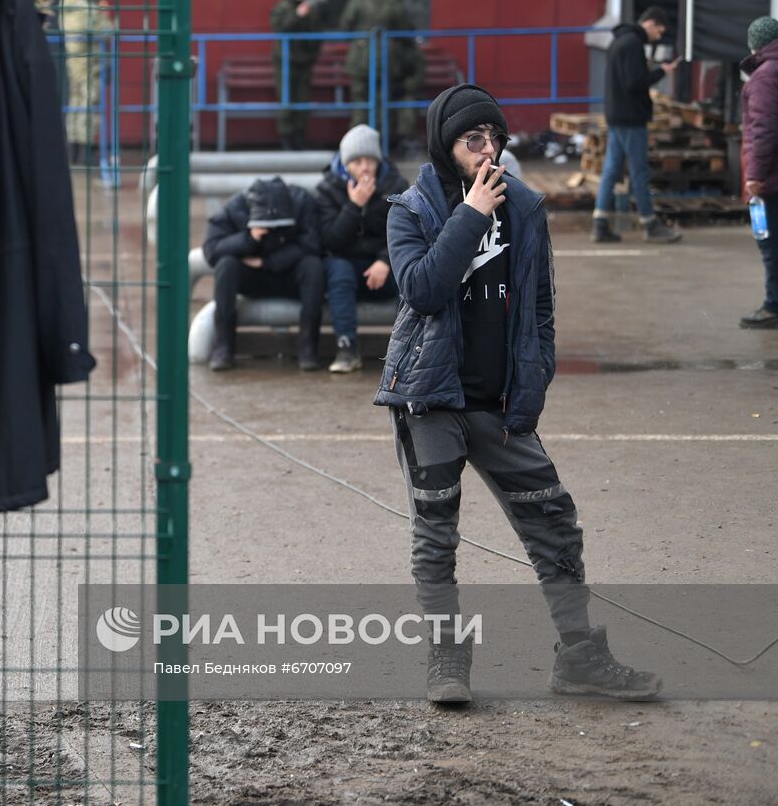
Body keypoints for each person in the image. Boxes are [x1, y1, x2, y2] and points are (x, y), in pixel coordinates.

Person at [374, 84, 662, 705]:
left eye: (495, 139)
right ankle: (448, 660)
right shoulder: (412, 207)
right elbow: (422, 290)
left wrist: (531, 387)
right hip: (431, 397)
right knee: (436, 533)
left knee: (553, 521)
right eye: (472, 140)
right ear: (445, 145)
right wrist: (471, 213)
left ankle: (580, 657)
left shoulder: (526, 208)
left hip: (499, 405)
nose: (487, 152)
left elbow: (540, 309)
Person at [202, 176, 325, 372]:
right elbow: (211, 250)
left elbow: (314, 243)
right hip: (252, 278)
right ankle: (223, 347)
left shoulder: (302, 201)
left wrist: (268, 262)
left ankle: (308, 348)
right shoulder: (235, 207)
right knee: (226, 265)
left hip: (289, 274)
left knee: (314, 266)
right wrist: (249, 239)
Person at [315, 124, 407, 373]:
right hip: (347, 265)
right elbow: (329, 241)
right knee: (337, 269)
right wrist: (354, 206)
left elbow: (406, 234)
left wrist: (385, 261)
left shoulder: (395, 184)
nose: (365, 167)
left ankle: (406, 352)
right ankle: (347, 347)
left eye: (370, 160)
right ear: (345, 164)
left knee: (411, 271)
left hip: (385, 267)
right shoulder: (327, 189)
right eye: (357, 161)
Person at [592, 6, 682, 243]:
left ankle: (600, 224)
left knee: (611, 171)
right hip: (631, 119)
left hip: (616, 116)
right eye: (659, 31)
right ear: (650, 23)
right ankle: (650, 224)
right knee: (639, 172)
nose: (659, 36)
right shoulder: (632, 44)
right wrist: (660, 72)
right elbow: (635, 83)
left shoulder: (619, 41)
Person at [339, 0, 422, 141]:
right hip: (386, 60)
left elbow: (345, 26)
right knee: (382, 104)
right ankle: (381, 143)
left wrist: (359, 38)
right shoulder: (393, 3)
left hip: (359, 60)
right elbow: (406, 32)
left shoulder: (358, 0)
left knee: (360, 103)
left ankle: (357, 142)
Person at [739, 16, 778, 328]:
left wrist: (754, 175)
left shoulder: (764, 78)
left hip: (770, 179)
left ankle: (773, 305)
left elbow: (763, 130)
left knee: (769, 241)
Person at [58, 0, 114, 165]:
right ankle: (86, 153)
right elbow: (108, 31)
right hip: (91, 66)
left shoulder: (68, 7)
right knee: (90, 108)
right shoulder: (90, 11)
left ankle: (72, 152)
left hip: (74, 64)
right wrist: (105, 14)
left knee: (75, 105)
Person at [270, 0, 324, 150]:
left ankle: (300, 138)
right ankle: (286, 139)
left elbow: (317, 34)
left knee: (302, 100)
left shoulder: (311, 10)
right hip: (285, 62)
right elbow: (279, 28)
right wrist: (297, 15)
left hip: (304, 62)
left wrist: (313, 55)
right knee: (287, 101)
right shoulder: (282, 8)